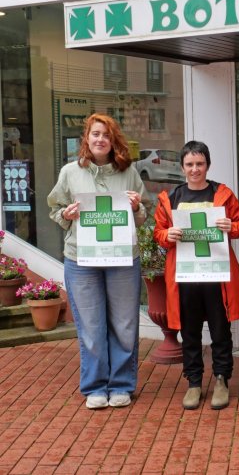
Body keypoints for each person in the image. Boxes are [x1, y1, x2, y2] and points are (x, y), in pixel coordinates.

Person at [47, 113, 148, 410]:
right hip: (81, 259)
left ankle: (121, 385)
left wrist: (136, 207)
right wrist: (66, 215)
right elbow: (56, 207)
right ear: (86, 139)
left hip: (122, 258)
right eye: (95, 134)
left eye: (105, 134)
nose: (100, 139)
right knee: (90, 326)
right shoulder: (70, 172)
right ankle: (94, 386)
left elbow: (142, 214)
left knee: (125, 324)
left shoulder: (128, 172)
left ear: (113, 139)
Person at [153, 141, 239, 411]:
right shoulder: (171, 198)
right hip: (185, 276)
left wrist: (232, 226)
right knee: (190, 331)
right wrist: (166, 235)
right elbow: (158, 232)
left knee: (221, 329)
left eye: (200, 163)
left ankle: (221, 379)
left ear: (207, 165)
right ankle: (194, 382)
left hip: (216, 275)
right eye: (190, 164)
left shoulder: (223, 194)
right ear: (182, 167)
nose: (195, 169)